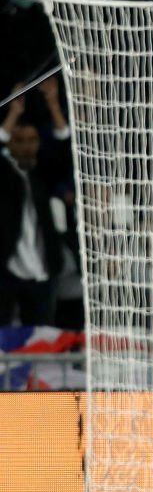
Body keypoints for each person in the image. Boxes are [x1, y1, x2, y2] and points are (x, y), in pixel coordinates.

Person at [0, 78, 71, 327]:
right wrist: (14, 112)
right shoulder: (5, 175)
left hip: (43, 267)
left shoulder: (43, 175)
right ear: (10, 144)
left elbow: (65, 151)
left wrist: (53, 104)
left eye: (32, 141)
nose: (27, 147)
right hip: (7, 267)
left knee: (40, 335)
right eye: (20, 141)